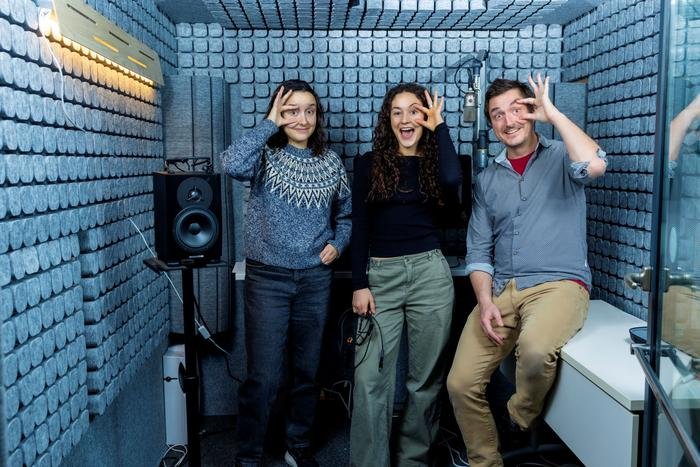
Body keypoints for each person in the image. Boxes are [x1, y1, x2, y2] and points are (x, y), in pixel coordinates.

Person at [446, 74, 608, 467]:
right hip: (503, 289)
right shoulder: (487, 179)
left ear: (532, 111)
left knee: (534, 350)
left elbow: (595, 165)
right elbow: (478, 251)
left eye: (517, 109)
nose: (508, 121)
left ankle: (518, 416)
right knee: (460, 382)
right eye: (497, 114)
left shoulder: (562, 156)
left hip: (558, 285)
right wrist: (485, 301)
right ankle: (485, 461)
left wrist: (555, 116)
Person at [220, 79, 351, 467]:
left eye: (309, 110)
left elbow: (346, 215)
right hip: (268, 279)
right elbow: (229, 163)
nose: (302, 119)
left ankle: (298, 447)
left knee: (307, 372)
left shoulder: (331, 163)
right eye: (292, 111)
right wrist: (268, 124)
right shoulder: (263, 157)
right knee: (264, 376)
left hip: (315, 279)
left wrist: (339, 243)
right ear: (278, 112)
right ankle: (249, 456)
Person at [350, 83, 462, 467]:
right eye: (396, 112)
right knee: (369, 378)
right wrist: (359, 283)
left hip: (430, 274)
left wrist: (440, 127)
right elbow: (360, 226)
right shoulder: (368, 164)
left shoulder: (436, 162)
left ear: (425, 117)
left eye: (414, 110)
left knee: (425, 380)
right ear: (388, 120)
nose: (405, 119)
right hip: (381, 276)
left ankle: (413, 460)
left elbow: (453, 180)